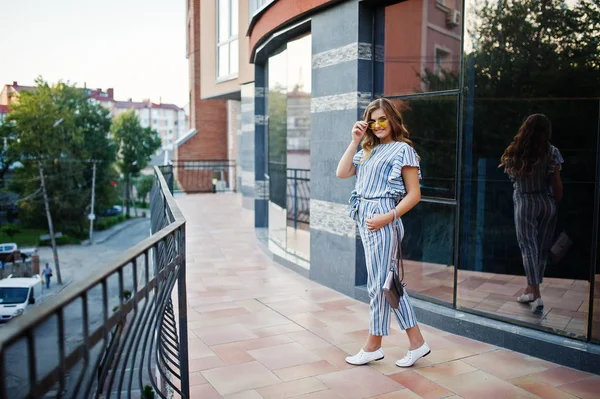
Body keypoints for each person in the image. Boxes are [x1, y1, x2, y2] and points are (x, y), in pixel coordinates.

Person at [336, 98, 430, 367]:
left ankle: (373, 345)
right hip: (365, 217)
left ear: (392, 120)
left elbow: (415, 194)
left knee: (378, 285)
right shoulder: (367, 149)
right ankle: (416, 342)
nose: (377, 125)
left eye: (382, 119)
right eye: (372, 120)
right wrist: (355, 140)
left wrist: (387, 217)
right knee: (385, 283)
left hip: (384, 217)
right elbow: (342, 172)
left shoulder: (402, 150)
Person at [500, 114, 563, 311]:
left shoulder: (515, 153)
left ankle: (536, 294)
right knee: (541, 249)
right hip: (546, 203)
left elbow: (513, 179)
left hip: (525, 202)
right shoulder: (552, 152)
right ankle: (530, 289)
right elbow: (557, 186)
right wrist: (554, 202)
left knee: (528, 248)